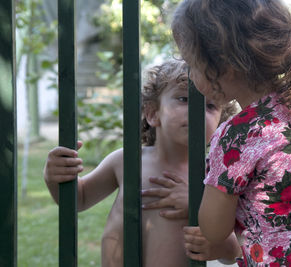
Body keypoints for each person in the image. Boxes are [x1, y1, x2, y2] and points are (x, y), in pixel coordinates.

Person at [167, 0, 291, 266]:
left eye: (192, 64)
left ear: (224, 66)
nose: (190, 74)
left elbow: (213, 229)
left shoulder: (238, 135)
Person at [43, 59, 241, 267]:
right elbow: (79, 198)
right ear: (152, 113)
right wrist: (56, 177)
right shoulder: (125, 160)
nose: (198, 111)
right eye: (183, 98)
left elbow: (236, 247)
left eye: (210, 106)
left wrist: (198, 206)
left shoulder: (216, 176)